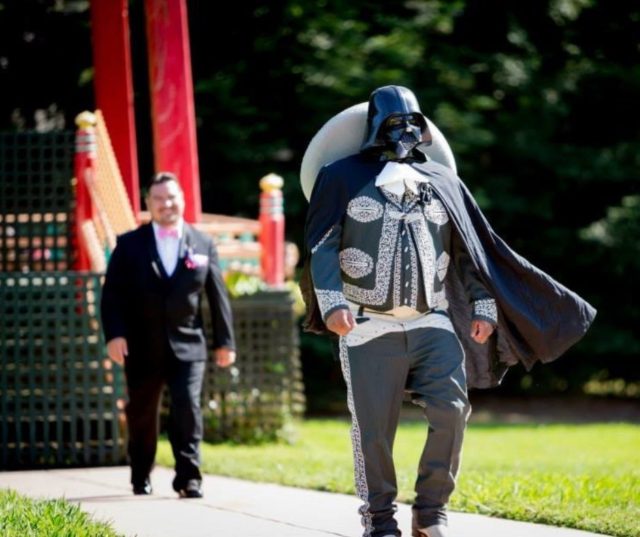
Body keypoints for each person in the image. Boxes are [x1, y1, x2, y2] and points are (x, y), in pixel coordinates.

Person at [300, 86, 596, 537]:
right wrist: (332, 301)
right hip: (367, 324)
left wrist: (483, 305)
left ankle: (431, 509)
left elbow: (469, 250)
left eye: (411, 122)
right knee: (374, 429)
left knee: (452, 410)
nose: (403, 131)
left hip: (432, 320)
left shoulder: (442, 181)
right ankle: (378, 519)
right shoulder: (339, 177)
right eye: (394, 122)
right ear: (375, 126)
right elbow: (323, 243)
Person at [101, 172, 236, 498]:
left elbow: (217, 295)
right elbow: (113, 296)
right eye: (159, 199)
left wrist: (225, 341)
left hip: (189, 344)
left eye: (172, 197)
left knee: (187, 406)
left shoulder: (202, 244)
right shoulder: (129, 244)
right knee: (142, 412)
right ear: (149, 204)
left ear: (183, 200)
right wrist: (115, 334)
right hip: (141, 346)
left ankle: (189, 478)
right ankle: (140, 474)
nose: (167, 204)